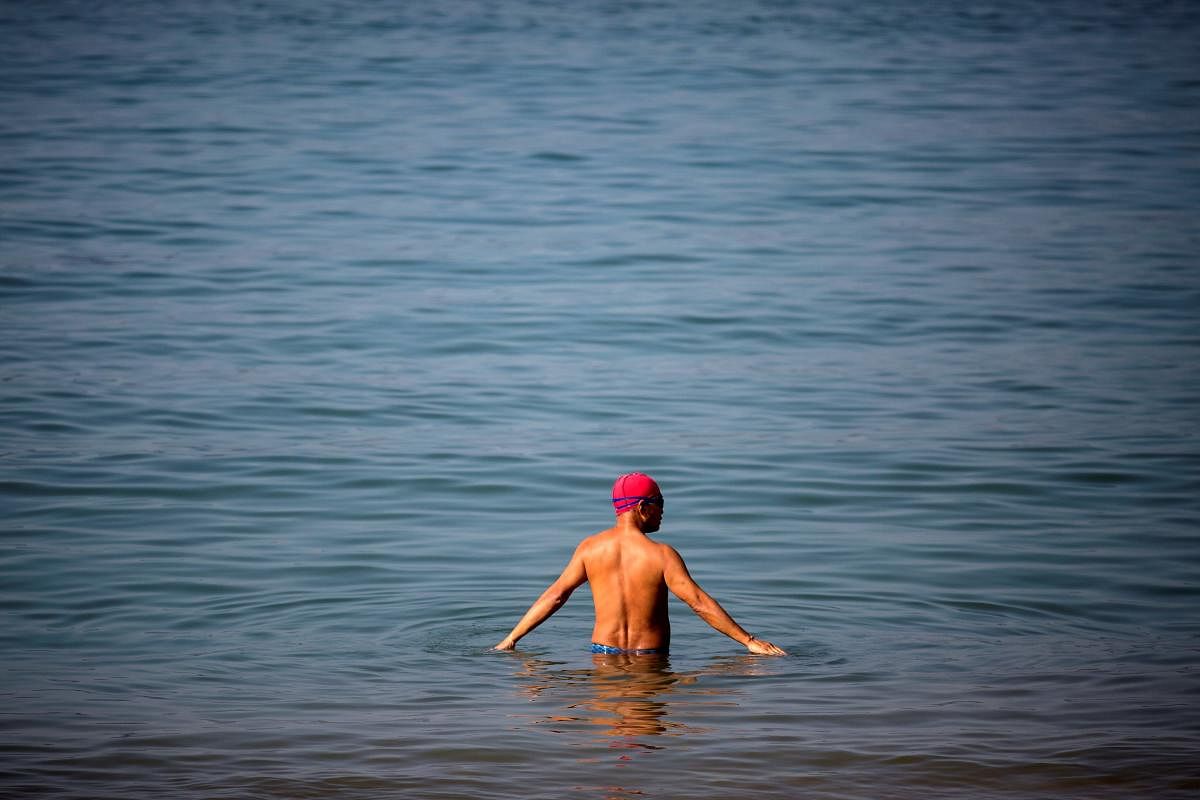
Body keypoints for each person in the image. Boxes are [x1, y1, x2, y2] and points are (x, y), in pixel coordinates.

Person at [493, 472, 786, 656]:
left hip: (602, 655)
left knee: (608, 728)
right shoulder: (661, 555)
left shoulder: (590, 548)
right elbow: (697, 602)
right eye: (659, 501)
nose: (663, 510)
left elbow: (555, 595)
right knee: (651, 739)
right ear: (642, 508)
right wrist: (748, 640)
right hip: (651, 659)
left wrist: (511, 639)